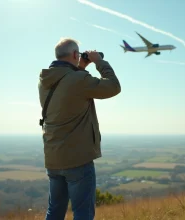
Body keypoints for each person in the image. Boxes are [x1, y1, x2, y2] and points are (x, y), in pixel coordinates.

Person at [38, 37, 121, 220]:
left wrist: (80, 66)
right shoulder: (78, 80)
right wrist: (99, 61)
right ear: (75, 54)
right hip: (77, 159)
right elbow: (114, 87)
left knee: (55, 211)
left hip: (53, 156)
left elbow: (69, 88)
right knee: (82, 213)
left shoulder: (45, 80)